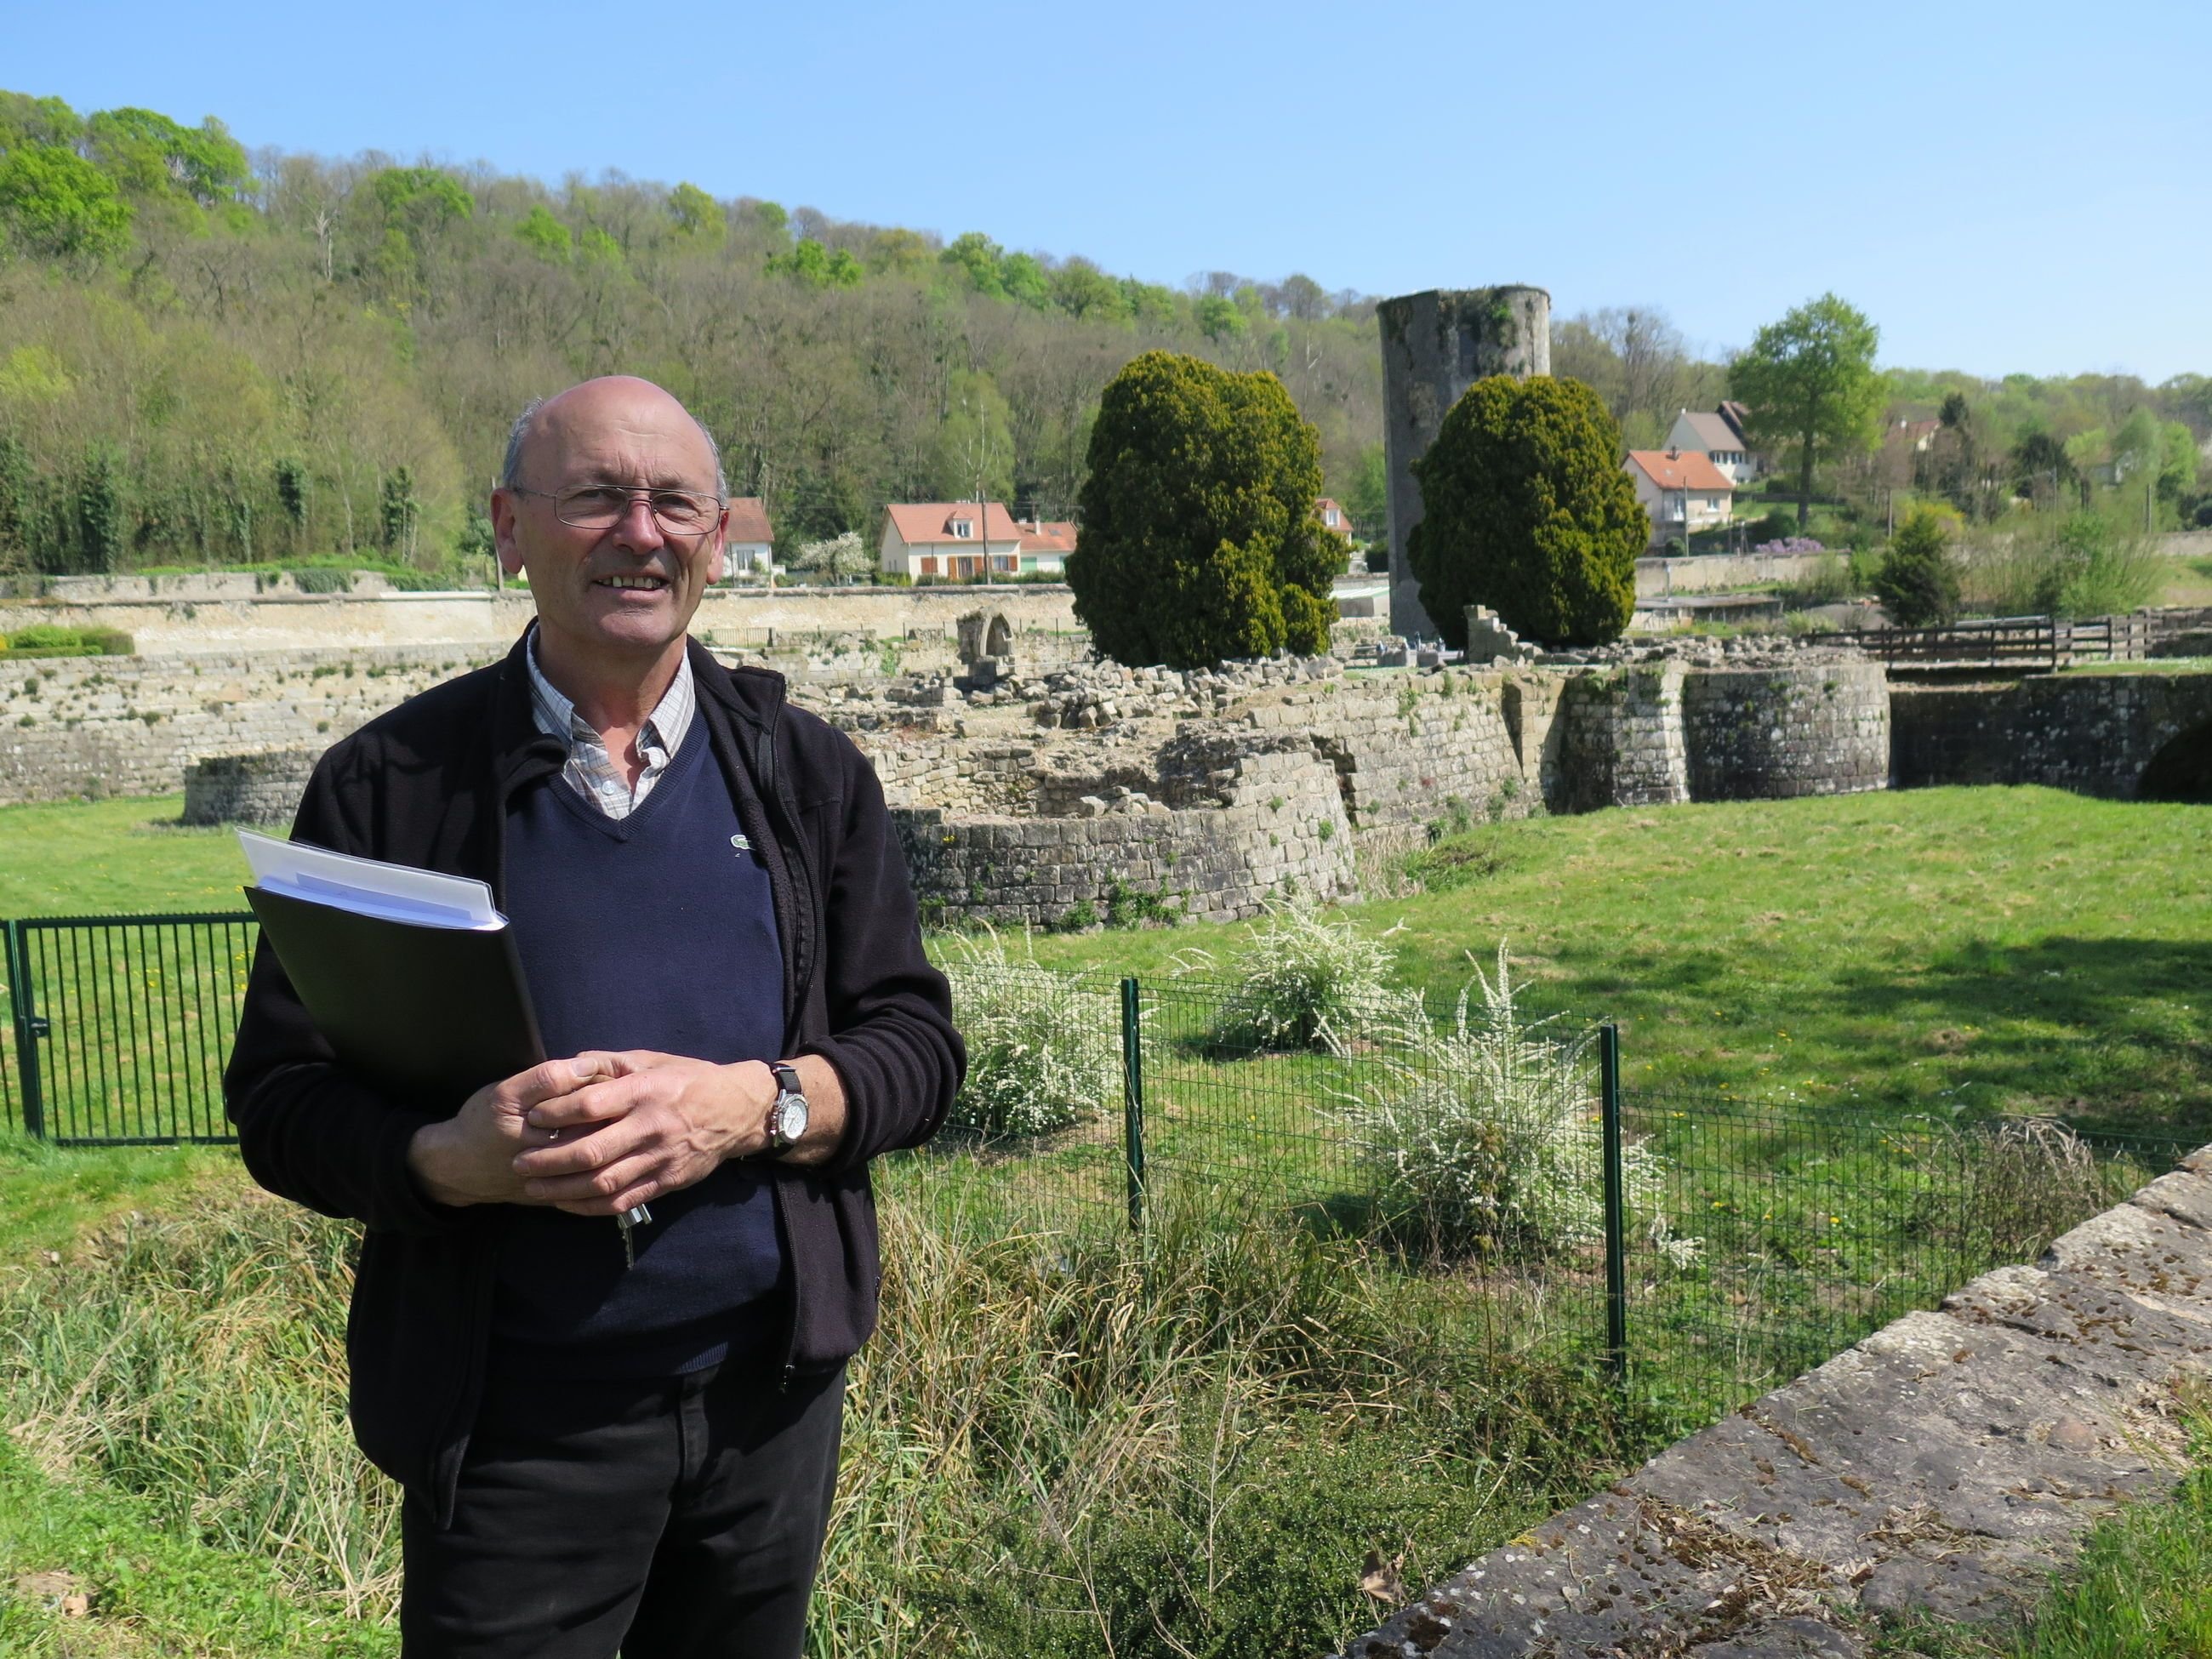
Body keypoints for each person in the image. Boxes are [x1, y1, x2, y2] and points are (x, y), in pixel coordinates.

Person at [225, 375, 964, 1657]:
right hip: (513, 1427)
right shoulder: (389, 786)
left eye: (676, 502)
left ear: (718, 538)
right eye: (596, 499)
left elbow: (917, 1045)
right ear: (510, 528)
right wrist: (447, 1161)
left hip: (767, 1416)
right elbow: (280, 1103)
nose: (641, 532)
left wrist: (753, 1104)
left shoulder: (808, 774)